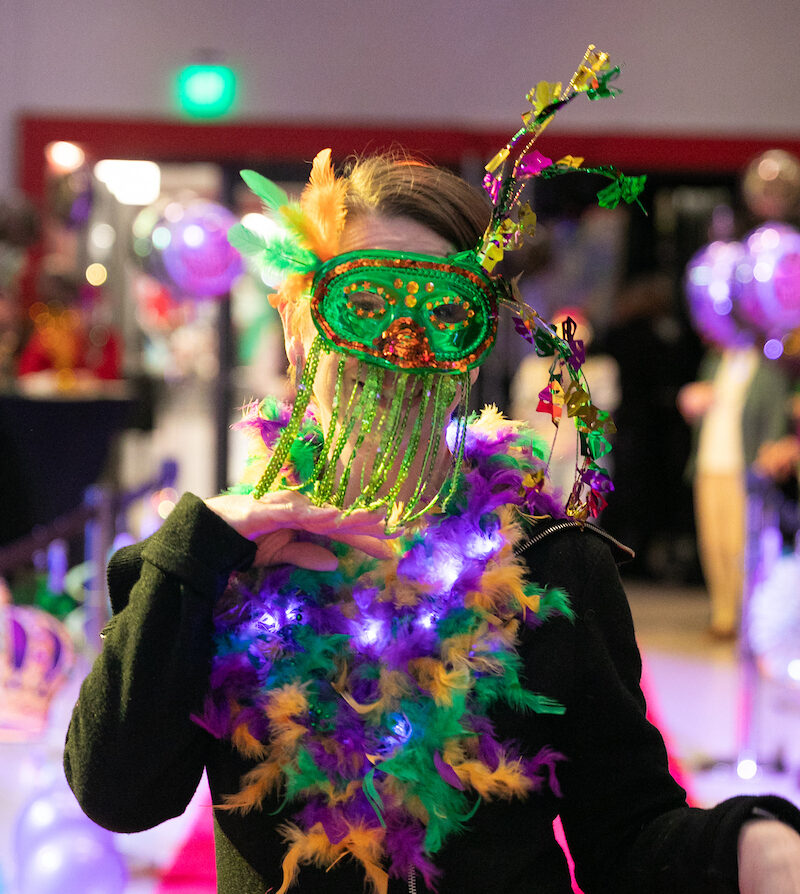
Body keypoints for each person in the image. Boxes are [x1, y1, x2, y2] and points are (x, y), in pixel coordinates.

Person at [64, 50, 800, 894]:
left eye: (440, 313)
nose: (401, 348)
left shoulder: (554, 565)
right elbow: (118, 794)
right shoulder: (216, 562)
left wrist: (755, 844)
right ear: (300, 325)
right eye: (367, 305)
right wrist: (196, 563)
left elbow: (624, 830)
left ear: (473, 343)